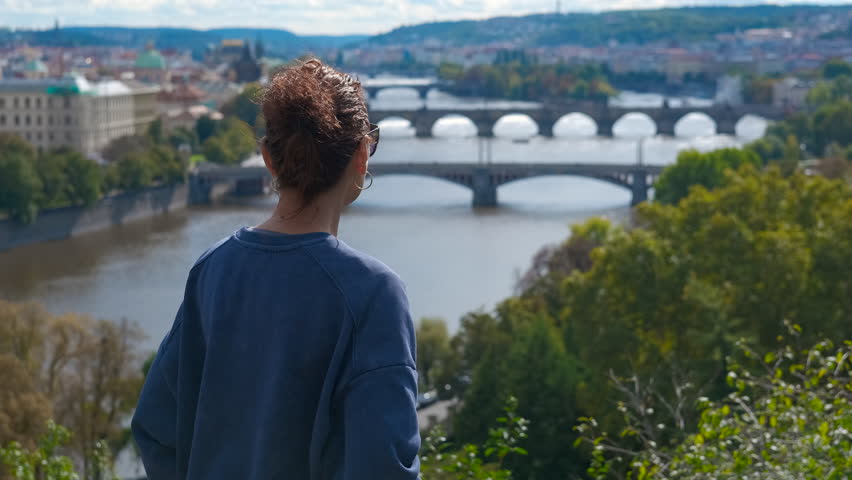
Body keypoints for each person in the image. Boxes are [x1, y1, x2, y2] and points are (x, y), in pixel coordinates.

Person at [131, 57, 420, 480]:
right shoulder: (373, 293)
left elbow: (155, 430)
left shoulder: (213, 269)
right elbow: (384, 469)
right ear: (362, 154)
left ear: (268, 157)